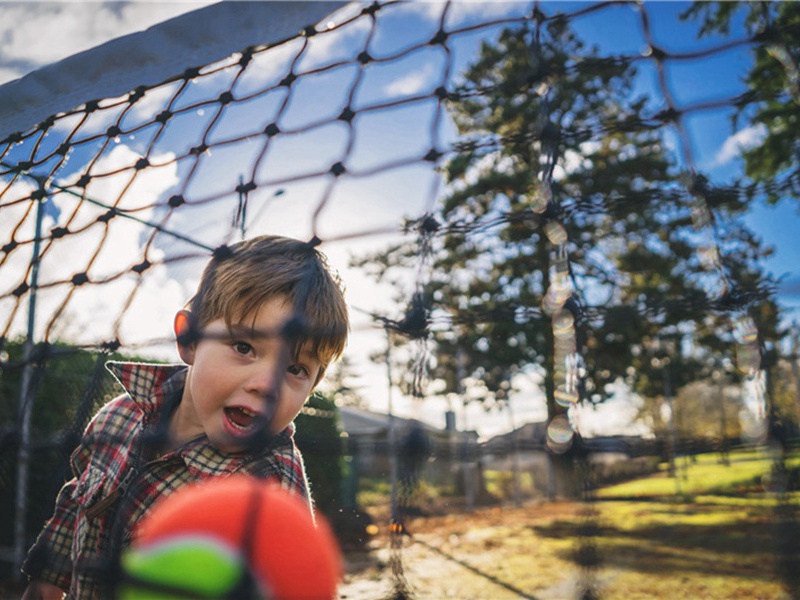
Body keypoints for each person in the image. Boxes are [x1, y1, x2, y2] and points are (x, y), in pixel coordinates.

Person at [21, 235, 349, 599]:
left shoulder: (272, 481)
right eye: (244, 347)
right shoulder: (117, 419)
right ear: (189, 339)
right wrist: (45, 584)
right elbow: (75, 502)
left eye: (295, 368)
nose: (267, 386)